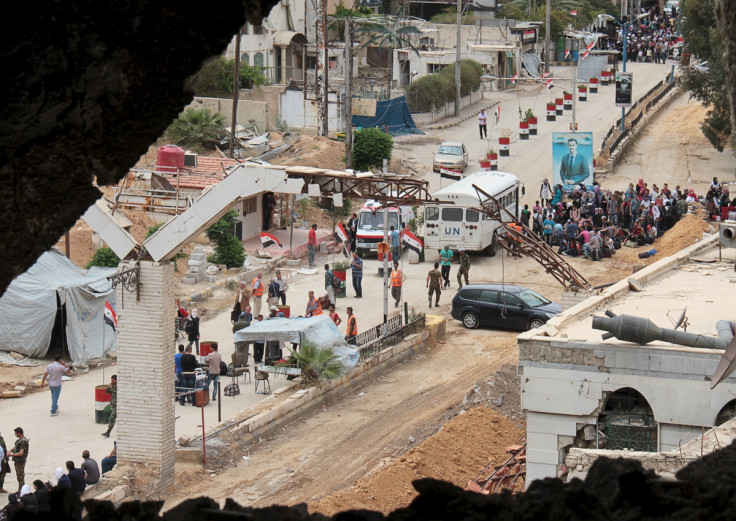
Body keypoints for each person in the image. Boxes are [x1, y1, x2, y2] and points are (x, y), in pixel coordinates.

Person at [8, 427, 28, 493]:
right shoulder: (20, 440)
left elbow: (21, 453)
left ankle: (21, 490)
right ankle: (20, 489)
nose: (15, 434)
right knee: (19, 475)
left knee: (20, 476)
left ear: (19, 433)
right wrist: (10, 450)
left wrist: (11, 455)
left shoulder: (23, 441)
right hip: (18, 461)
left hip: (20, 461)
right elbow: (16, 446)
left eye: (15, 433)